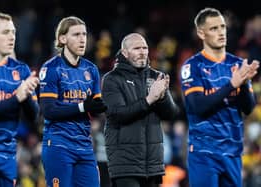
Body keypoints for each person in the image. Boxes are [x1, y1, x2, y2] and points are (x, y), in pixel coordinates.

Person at [180, 8, 260, 187]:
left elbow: (248, 108)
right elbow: (197, 107)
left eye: (222, 26)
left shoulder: (238, 64)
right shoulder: (193, 66)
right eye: (214, 28)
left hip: (232, 152)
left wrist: (244, 85)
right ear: (201, 33)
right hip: (204, 152)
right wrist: (232, 85)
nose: (221, 32)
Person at [102, 33, 178, 187]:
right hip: (125, 166)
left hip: (153, 165)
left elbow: (172, 114)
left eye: (145, 48)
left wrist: (162, 97)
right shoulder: (112, 79)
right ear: (124, 52)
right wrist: (150, 99)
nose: (142, 52)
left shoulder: (156, 77)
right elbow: (117, 114)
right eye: (137, 48)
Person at [39, 16, 107, 187]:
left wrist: (105, 104)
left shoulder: (91, 69)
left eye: (84, 34)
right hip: (58, 145)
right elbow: (49, 110)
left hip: (84, 146)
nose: (82, 39)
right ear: (62, 39)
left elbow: (96, 107)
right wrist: (83, 106)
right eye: (76, 34)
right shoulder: (51, 68)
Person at [0, 12, 39, 187]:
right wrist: (16, 98)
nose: (12, 36)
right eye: (5, 32)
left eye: (13, 32)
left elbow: (34, 117)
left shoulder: (21, 70)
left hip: (7, 155)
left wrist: (27, 96)